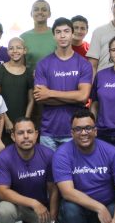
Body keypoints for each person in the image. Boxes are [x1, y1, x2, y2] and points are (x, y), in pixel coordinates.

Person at [0, 117, 67, 223]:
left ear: (36, 134)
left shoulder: (48, 155)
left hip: (40, 211)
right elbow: (2, 192)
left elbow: (53, 190)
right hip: (16, 206)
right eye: (20, 133)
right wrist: (33, 203)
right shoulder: (4, 157)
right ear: (13, 136)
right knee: (3, 210)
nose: (26, 136)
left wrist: (53, 222)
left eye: (30, 132)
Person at [33, 17, 93, 150]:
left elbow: (83, 97)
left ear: (72, 34)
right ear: (53, 36)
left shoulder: (84, 64)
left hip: (75, 131)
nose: (62, 35)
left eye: (66, 31)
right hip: (48, 132)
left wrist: (50, 93)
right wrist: (74, 98)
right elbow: (40, 98)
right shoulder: (43, 64)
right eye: (58, 32)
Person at [0, 37, 34, 145]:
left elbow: (31, 100)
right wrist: (6, 121)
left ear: (24, 50)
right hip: (4, 120)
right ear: (7, 51)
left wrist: (25, 121)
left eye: (18, 48)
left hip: (22, 121)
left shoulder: (28, 72)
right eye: (11, 48)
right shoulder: (0, 70)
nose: (15, 51)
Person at [20, 0, 56, 71]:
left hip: (54, 77)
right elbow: (20, 65)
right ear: (31, 13)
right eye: (36, 10)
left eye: (44, 10)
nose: (40, 12)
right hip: (30, 77)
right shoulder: (23, 37)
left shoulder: (57, 34)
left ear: (49, 14)